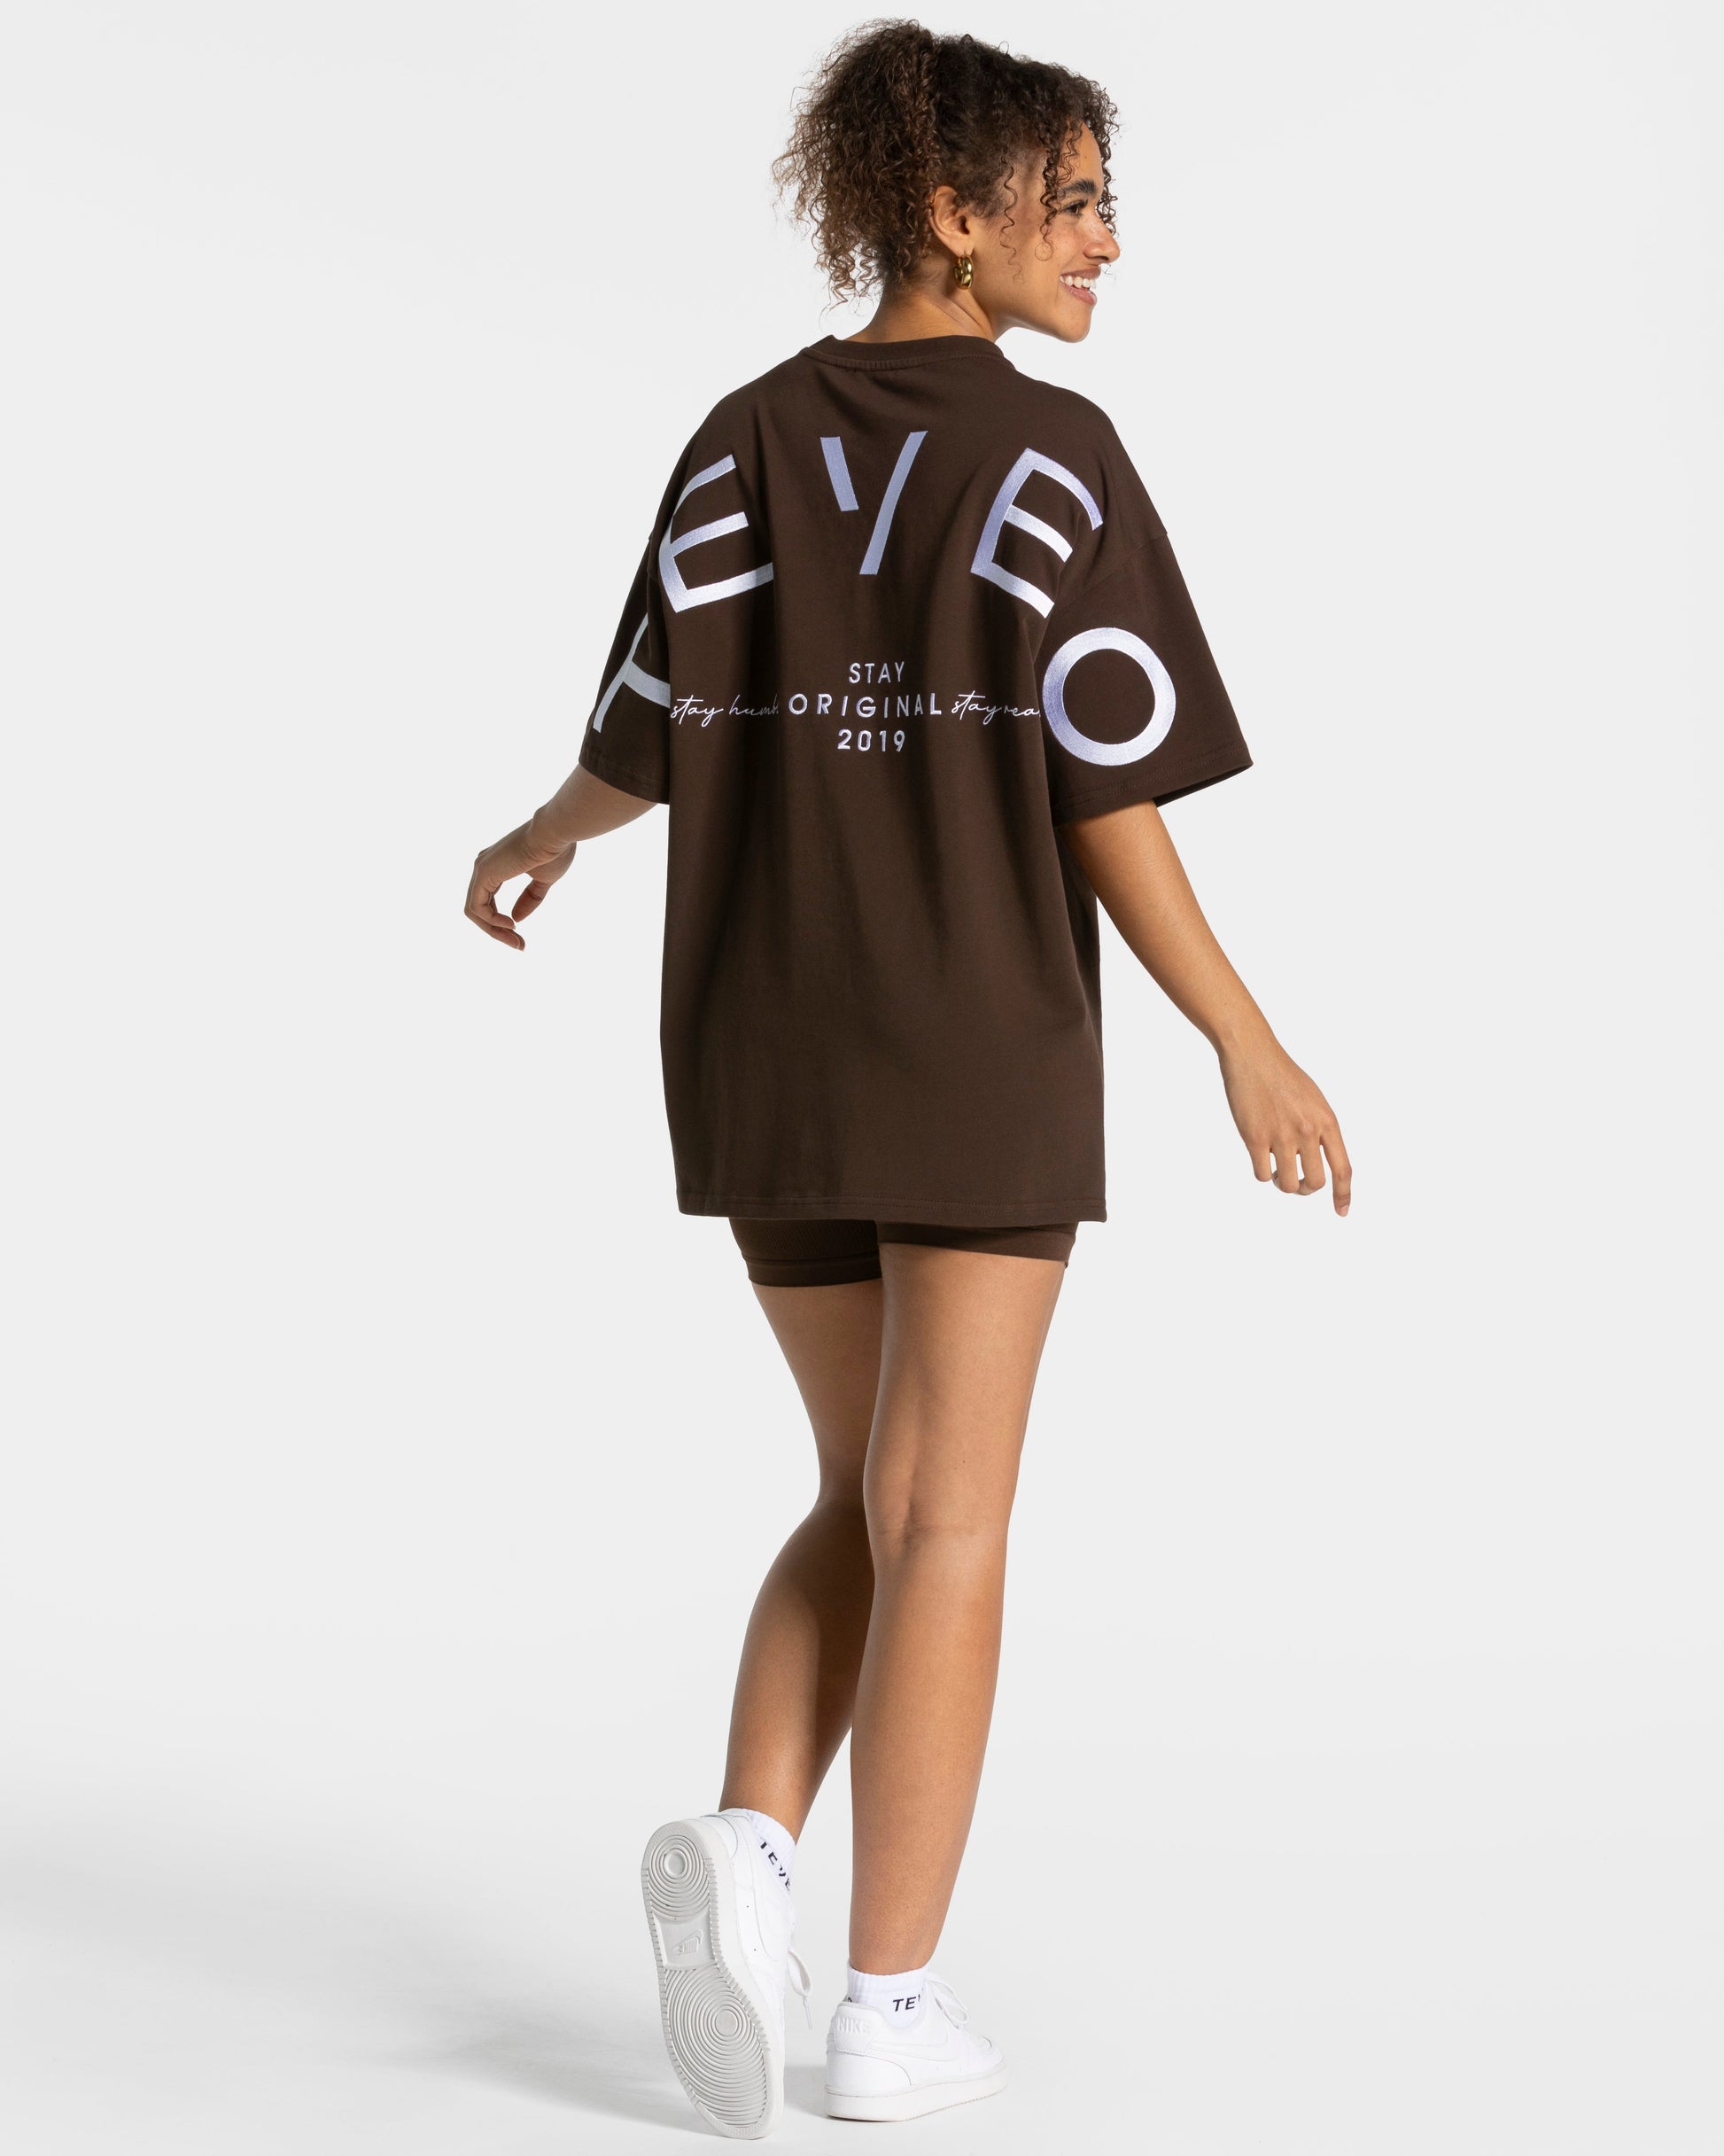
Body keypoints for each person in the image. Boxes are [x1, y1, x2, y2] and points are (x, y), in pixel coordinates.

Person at [464, 19, 1350, 2140]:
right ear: (953, 212)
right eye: (1077, 204)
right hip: (972, 1036)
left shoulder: (737, 440)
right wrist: (1242, 1032)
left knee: (858, 1484)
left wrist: (542, 835)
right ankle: (882, 2007)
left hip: (755, 1039)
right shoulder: (1055, 457)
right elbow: (1104, 786)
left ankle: (752, 1846)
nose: (1108, 245)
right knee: (948, 1510)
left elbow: (650, 719)